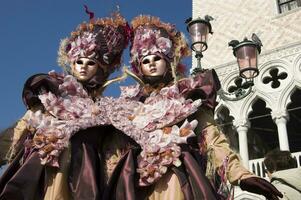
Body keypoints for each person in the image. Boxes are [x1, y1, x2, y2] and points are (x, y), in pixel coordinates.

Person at [107, 15, 283, 200]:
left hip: (175, 178)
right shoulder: (131, 107)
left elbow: (212, 140)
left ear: (169, 62)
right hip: (135, 185)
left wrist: (241, 175)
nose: (151, 63)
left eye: (157, 58)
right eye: (145, 60)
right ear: (138, 67)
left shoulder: (187, 97)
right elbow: (115, 152)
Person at [0, 11, 129, 199]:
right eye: (79, 62)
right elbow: (19, 131)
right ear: (72, 64)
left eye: (90, 62)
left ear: (101, 69)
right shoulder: (52, 97)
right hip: (42, 178)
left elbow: (113, 155)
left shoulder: (106, 110)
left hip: (83, 183)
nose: (83, 66)